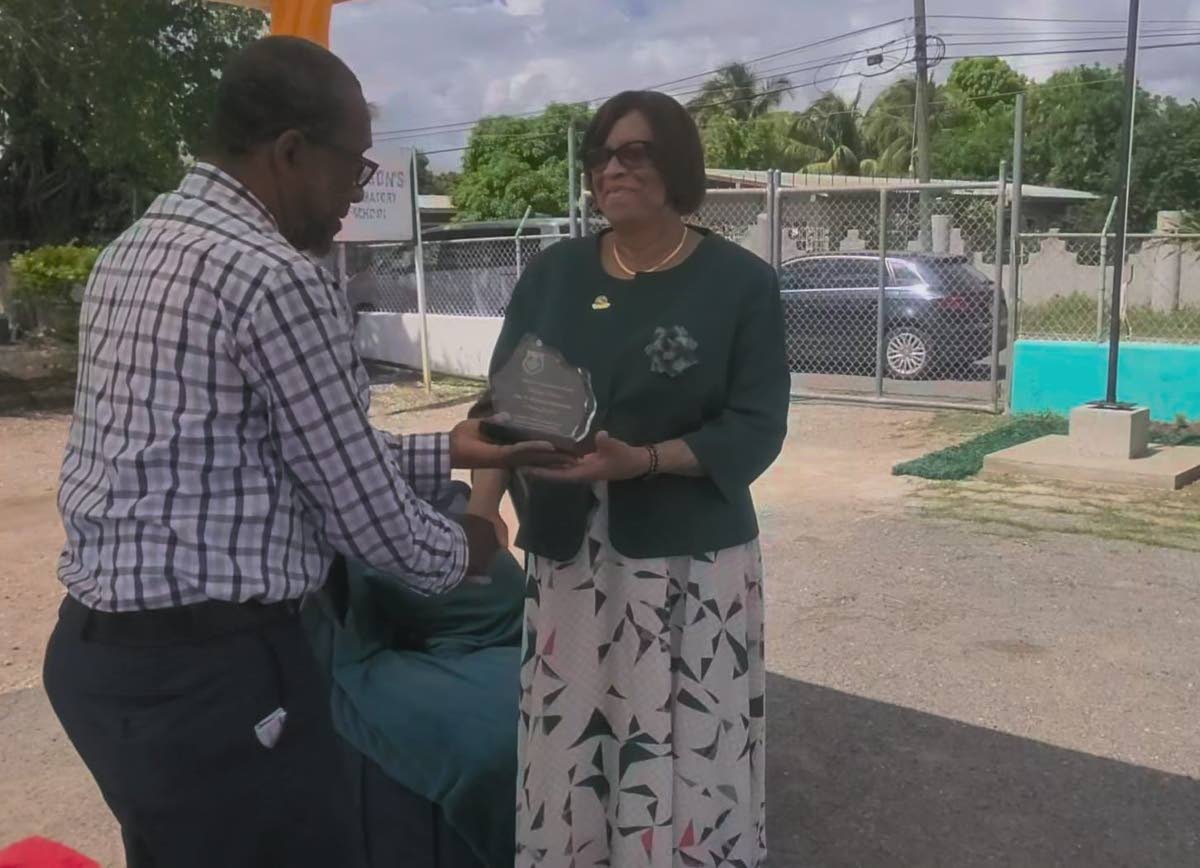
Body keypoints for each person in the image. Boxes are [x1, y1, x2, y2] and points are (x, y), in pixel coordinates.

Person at [42, 36, 556, 868]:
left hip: (98, 665)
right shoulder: (272, 276)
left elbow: (267, 452)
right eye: (354, 167)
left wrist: (451, 447)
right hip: (213, 676)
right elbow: (371, 523)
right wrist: (475, 538)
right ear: (290, 151)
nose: (356, 193)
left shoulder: (131, 250)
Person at [468, 91, 790, 868]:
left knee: (683, 741)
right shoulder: (554, 274)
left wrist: (643, 460)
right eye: (601, 156)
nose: (612, 169)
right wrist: (482, 512)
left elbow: (756, 426)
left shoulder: (739, 283)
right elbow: (501, 407)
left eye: (635, 153)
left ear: (676, 166)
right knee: (573, 744)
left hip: (689, 568)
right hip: (569, 559)